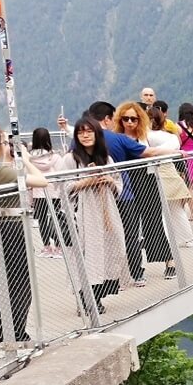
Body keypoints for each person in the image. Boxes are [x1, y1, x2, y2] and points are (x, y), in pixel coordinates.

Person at [0, 123, 50, 359]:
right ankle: (16, 338)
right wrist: (24, 157)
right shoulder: (0, 172)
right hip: (11, 231)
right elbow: (41, 181)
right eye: (4, 143)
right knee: (19, 286)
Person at [54, 116, 131, 314]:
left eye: (89, 131)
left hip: (106, 212)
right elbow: (60, 186)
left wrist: (108, 180)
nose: (85, 135)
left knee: (111, 248)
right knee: (86, 256)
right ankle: (87, 301)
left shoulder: (106, 158)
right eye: (81, 132)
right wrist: (84, 182)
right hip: (82, 215)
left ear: (97, 134)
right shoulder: (70, 159)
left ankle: (97, 296)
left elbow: (118, 182)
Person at [114, 101, 177, 284]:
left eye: (133, 118)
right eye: (126, 118)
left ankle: (169, 261)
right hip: (125, 182)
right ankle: (136, 269)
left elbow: (172, 140)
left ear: (139, 119)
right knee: (129, 227)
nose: (130, 122)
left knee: (153, 221)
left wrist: (161, 153)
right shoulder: (117, 137)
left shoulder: (146, 135)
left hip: (146, 181)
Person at [149, 106, 193, 262]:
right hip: (169, 173)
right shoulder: (169, 137)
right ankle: (187, 238)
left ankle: (169, 242)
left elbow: (149, 151)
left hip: (154, 174)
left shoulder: (146, 136)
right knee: (176, 209)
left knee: (163, 212)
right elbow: (176, 144)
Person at [27, 128, 68, 259]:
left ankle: (47, 247)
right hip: (53, 192)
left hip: (38, 193)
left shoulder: (29, 158)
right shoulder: (55, 157)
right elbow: (61, 173)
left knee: (43, 220)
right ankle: (59, 246)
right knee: (56, 218)